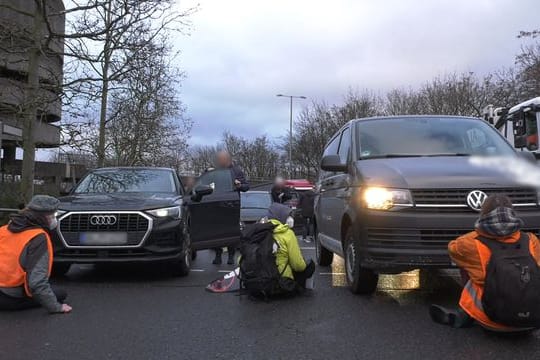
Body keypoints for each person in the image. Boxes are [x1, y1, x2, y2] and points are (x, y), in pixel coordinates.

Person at [430, 194, 540, 332]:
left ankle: (463, 316)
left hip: (493, 320)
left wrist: (479, 232)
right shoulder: (531, 240)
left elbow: (452, 248)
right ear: (512, 213)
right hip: (533, 320)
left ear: (483, 214)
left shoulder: (471, 243)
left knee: (469, 267)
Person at [0, 195, 72, 314]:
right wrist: (56, 307)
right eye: (54, 215)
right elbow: (36, 283)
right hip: (9, 297)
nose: (55, 219)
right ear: (46, 217)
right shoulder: (38, 237)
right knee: (60, 294)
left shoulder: (3, 230)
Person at [266, 203, 315, 292]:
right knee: (309, 264)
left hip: (256, 282)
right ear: (281, 217)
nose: (290, 219)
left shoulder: (258, 232)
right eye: (288, 216)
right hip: (281, 283)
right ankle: (303, 290)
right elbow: (298, 265)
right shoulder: (287, 233)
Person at [212, 150, 250, 265]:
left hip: (232, 204)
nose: (221, 161)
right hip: (217, 204)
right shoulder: (215, 171)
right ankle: (218, 255)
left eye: (223, 158)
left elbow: (246, 186)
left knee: (231, 231)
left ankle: (231, 256)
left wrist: (239, 185)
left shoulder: (237, 171)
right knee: (217, 231)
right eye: (220, 159)